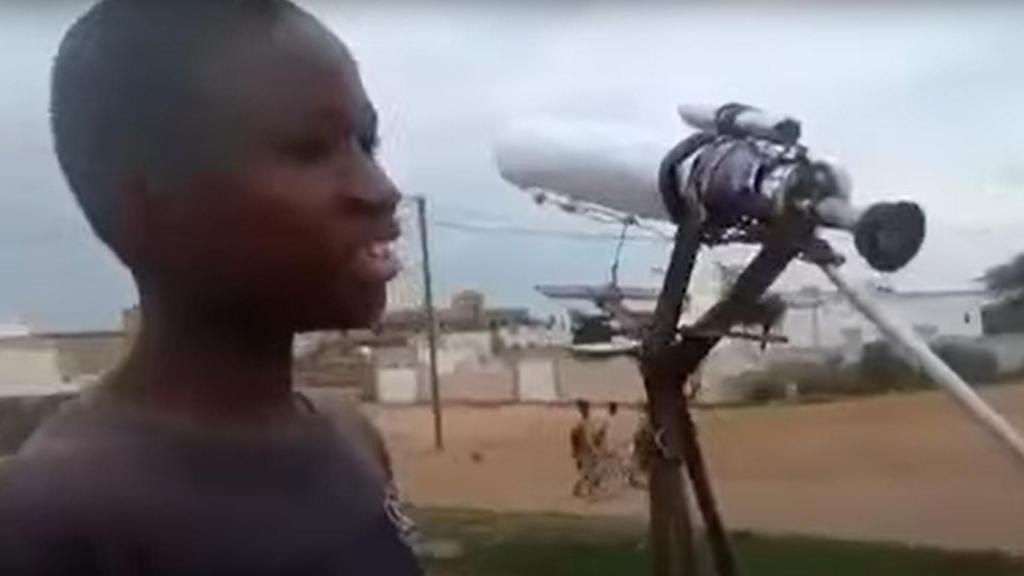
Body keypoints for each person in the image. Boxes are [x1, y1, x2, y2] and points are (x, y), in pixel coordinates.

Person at [0, 1, 422, 574]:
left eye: (365, 144)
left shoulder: (352, 438)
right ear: (151, 205)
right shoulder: (51, 517)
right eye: (311, 149)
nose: (380, 190)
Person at [569, 399, 602, 497]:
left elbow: (593, 435)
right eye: (584, 408)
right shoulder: (579, 422)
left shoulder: (590, 420)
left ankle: (583, 488)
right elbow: (574, 436)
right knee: (587, 470)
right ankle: (586, 489)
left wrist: (598, 439)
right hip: (584, 449)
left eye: (586, 408)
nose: (586, 410)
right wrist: (575, 450)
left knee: (589, 470)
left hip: (591, 449)